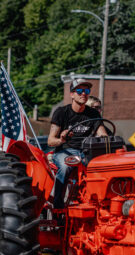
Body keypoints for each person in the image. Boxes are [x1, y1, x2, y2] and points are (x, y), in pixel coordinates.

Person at [48, 78, 107, 209]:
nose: (83, 94)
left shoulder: (92, 113)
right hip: (66, 150)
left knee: (103, 167)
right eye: (79, 90)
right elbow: (51, 141)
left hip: (86, 152)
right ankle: (58, 205)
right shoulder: (62, 112)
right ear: (72, 94)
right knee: (64, 166)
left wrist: (105, 139)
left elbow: (102, 134)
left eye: (86, 90)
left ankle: (99, 203)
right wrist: (62, 140)